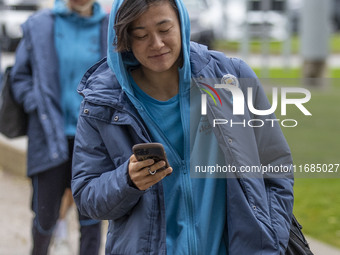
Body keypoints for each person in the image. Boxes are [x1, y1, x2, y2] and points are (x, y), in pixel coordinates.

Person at [71, 0, 294, 254]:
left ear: (182, 23)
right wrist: (127, 181)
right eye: (141, 35)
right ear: (125, 40)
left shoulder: (231, 78)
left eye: (165, 29)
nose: (156, 44)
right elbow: (87, 196)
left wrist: (270, 240)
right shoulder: (102, 103)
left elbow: (276, 166)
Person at [10, 0, 109, 254]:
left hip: (94, 139)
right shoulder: (39, 26)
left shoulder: (111, 27)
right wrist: (35, 103)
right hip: (48, 135)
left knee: (92, 219)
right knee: (44, 218)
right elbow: (19, 77)